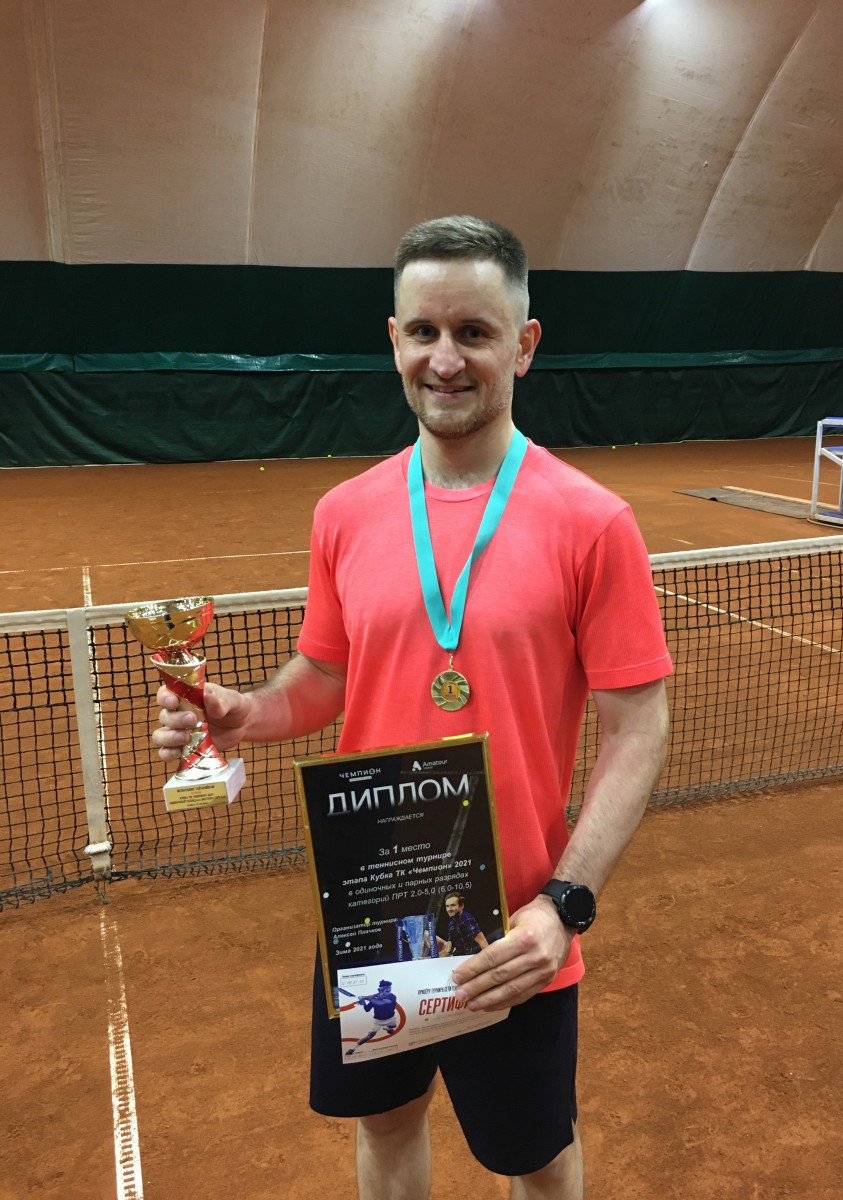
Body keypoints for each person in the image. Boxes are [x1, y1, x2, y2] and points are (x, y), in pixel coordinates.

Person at [152, 215, 672, 1200]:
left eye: (474, 332)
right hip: (373, 908)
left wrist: (564, 906)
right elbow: (323, 676)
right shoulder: (344, 514)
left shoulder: (594, 522)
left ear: (524, 344)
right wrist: (241, 713)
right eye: (423, 331)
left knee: (535, 1158)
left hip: (516, 929)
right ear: (393, 339)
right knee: (386, 1126)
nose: (445, 359)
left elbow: (638, 728)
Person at [346, 980, 399, 1057]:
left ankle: (387, 1028)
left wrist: (366, 997)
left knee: (391, 1032)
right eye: (383, 990)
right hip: (378, 1020)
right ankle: (352, 1049)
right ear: (379, 990)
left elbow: (380, 1003)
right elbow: (367, 1009)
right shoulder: (373, 997)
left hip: (390, 1018)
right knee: (369, 1036)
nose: (386, 992)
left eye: (388, 991)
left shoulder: (392, 997)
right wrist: (363, 1002)